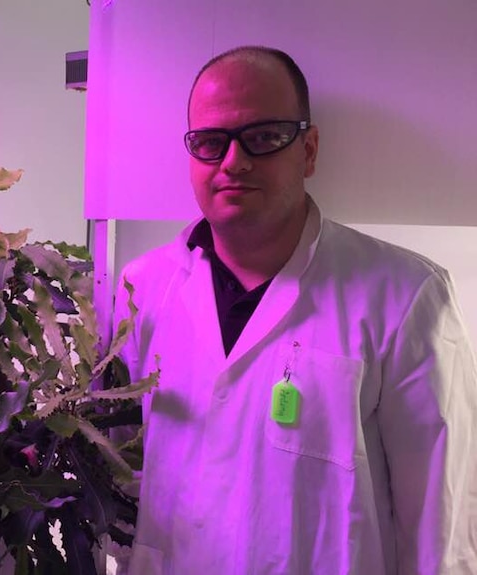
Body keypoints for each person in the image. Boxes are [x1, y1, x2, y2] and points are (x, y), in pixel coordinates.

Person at [115, 46, 477, 574]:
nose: (233, 162)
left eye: (262, 137)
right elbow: (117, 475)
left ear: (308, 150)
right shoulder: (140, 289)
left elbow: (439, 534)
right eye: (211, 142)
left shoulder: (405, 296)